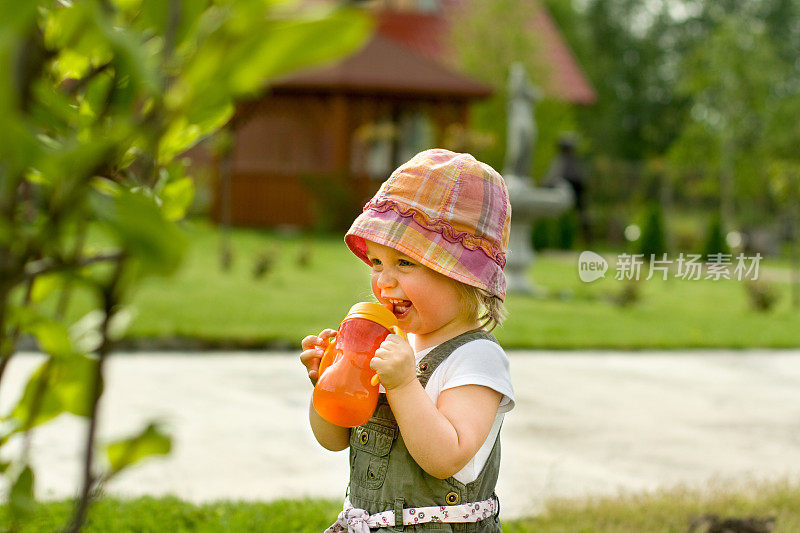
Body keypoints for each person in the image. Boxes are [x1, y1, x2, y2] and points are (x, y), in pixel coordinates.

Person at [300, 149, 515, 532]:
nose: (383, 281)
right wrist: (327, 384)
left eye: (405, 263)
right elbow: (334, 439)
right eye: (378, 263)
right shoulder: (393, 347)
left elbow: (446, 457)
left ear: (462, 275)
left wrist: (402, 384)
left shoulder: (476, 358)